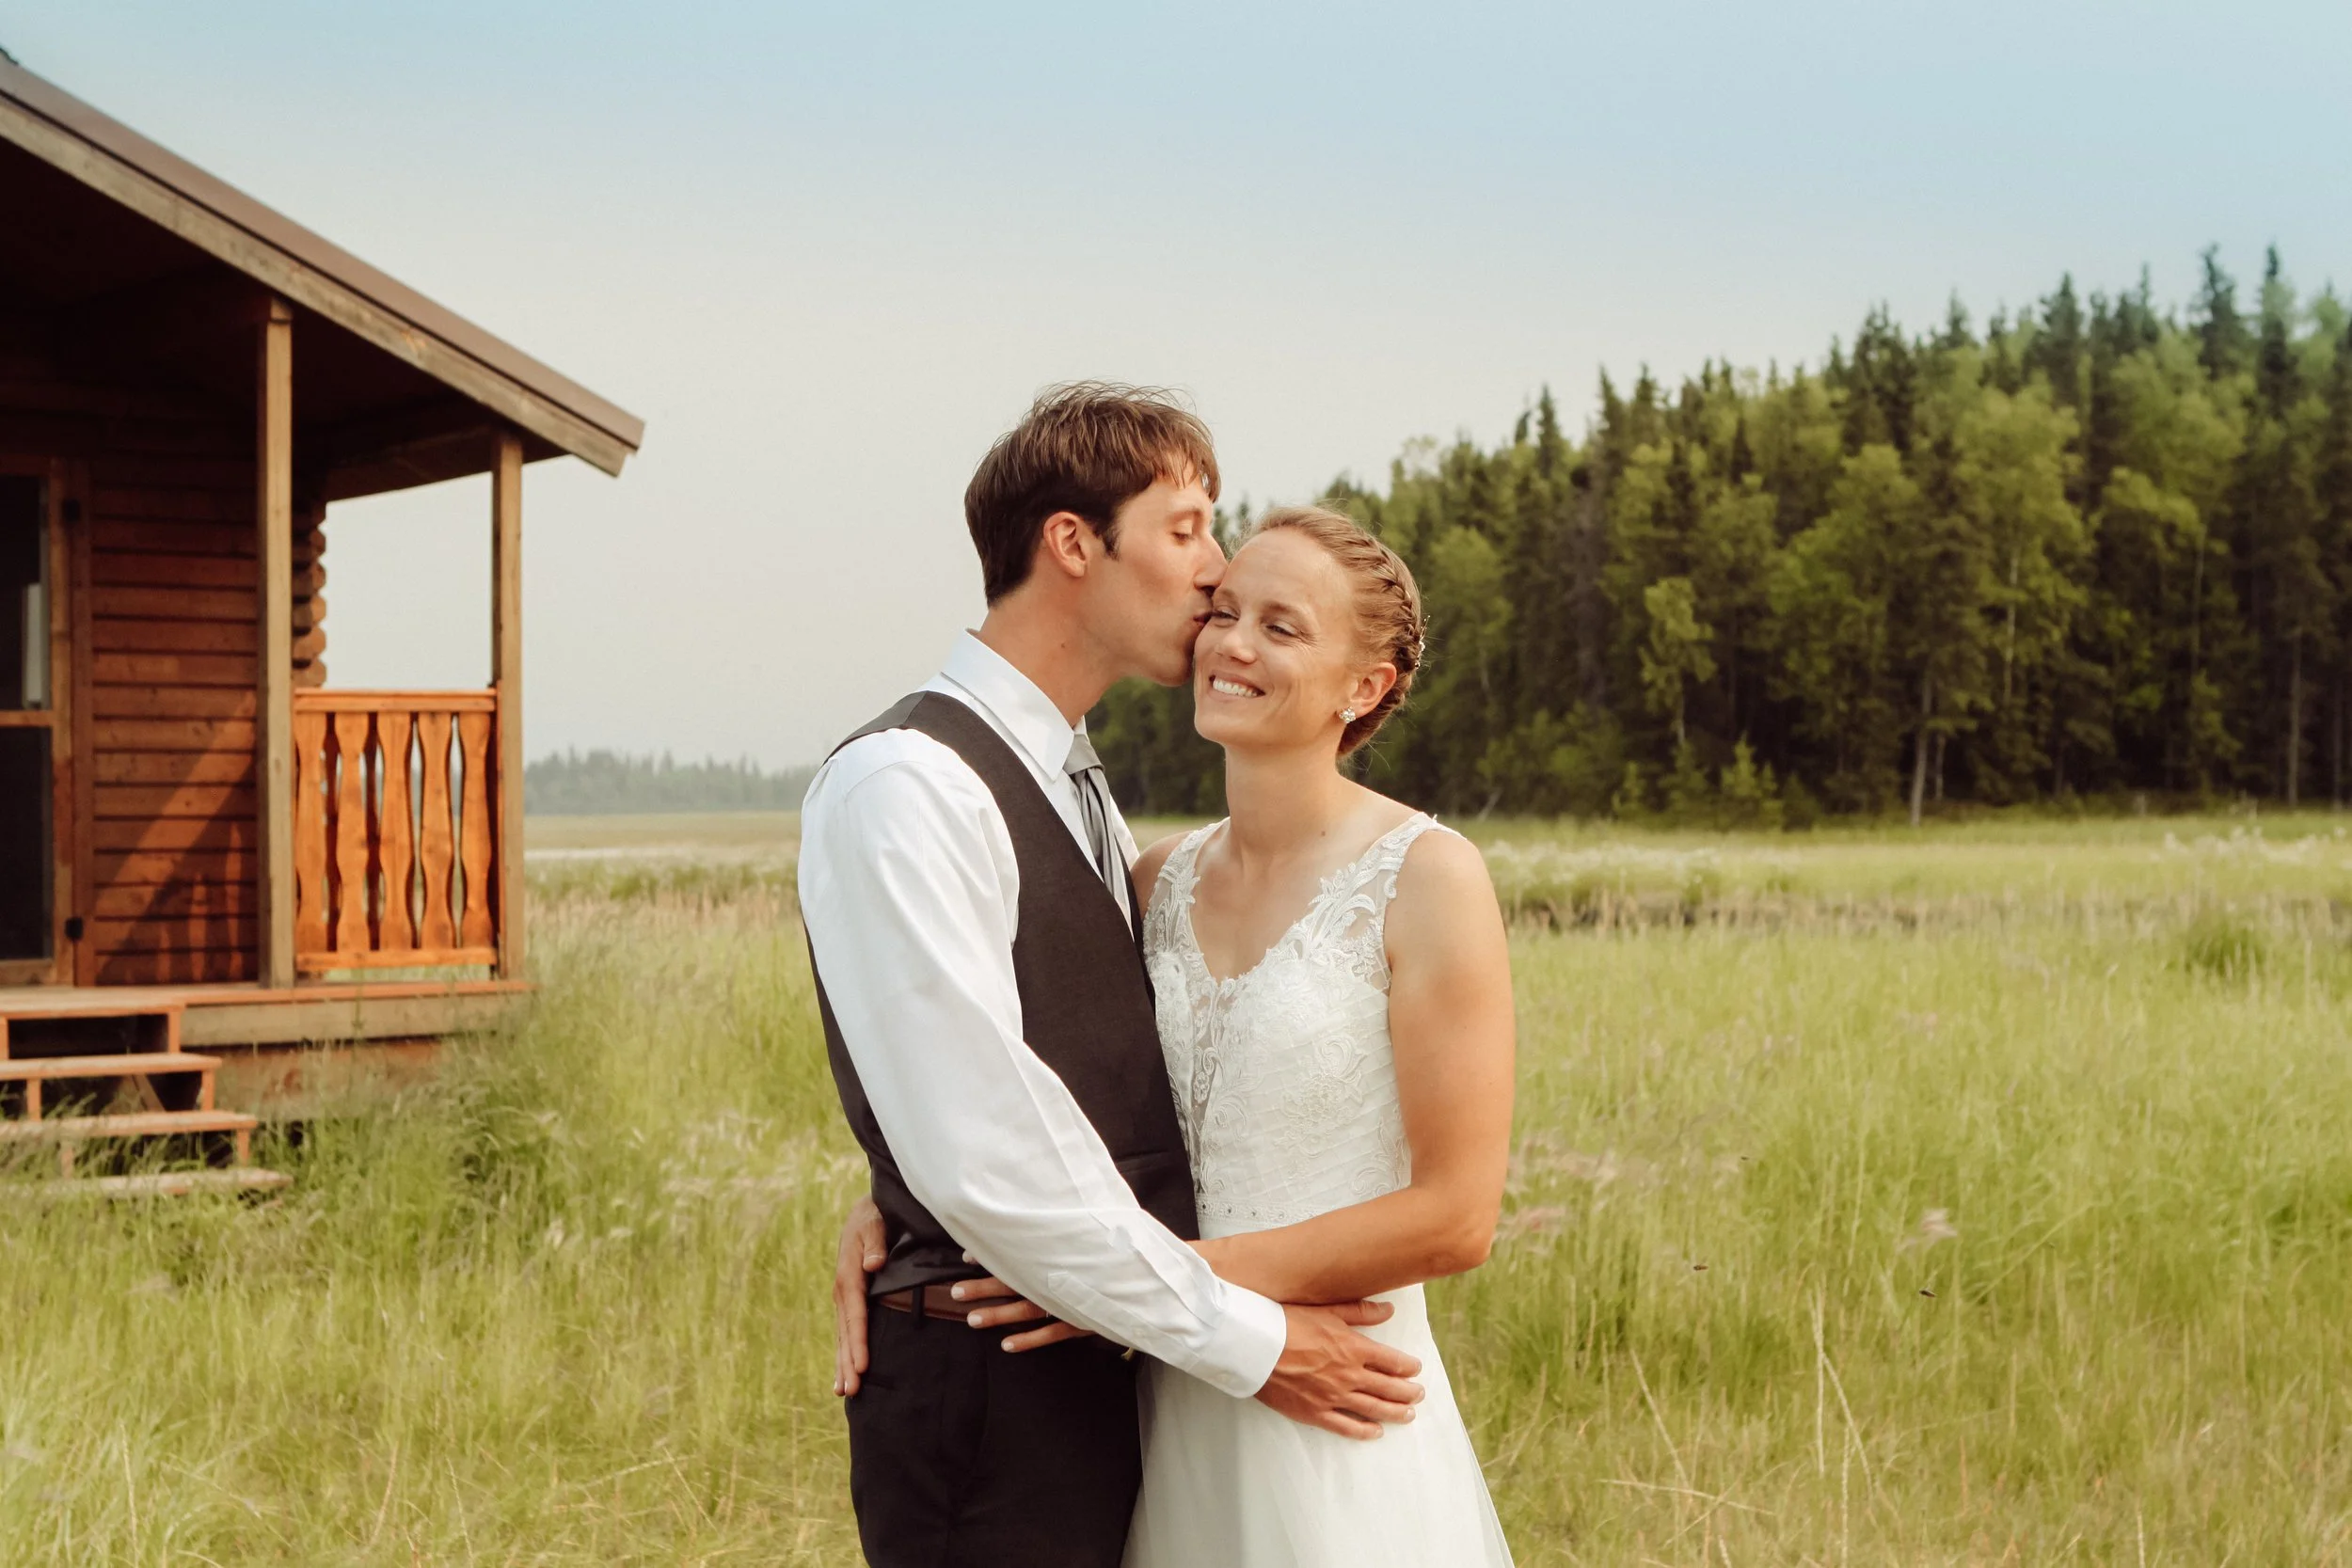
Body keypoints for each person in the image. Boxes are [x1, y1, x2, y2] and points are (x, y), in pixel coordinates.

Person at [800, 388, 1428, 1568]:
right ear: (1075, 543)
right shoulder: (907, 784)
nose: (1216, 569)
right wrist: (1252, 1341)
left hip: (1114, 1359)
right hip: (988, 1386)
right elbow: (981, 1146)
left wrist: (901, 1188)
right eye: (1187, 526)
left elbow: (1073, 1061)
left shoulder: (1077, 786)